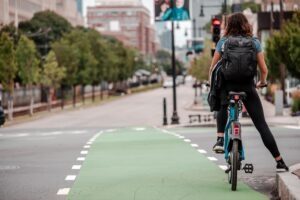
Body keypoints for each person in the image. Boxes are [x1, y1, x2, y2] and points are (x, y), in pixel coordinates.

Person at [208, 13, 289, 172]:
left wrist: (209, 80)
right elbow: (264, 69)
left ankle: (219, 139)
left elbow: (212, 67)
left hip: (228, 86)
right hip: (247, 87)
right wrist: (262, 82)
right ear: (246, 25)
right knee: (261, 125)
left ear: (229, 25)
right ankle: (279, 161)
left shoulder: (223, 42)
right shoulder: (254, 43)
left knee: (223, 104)